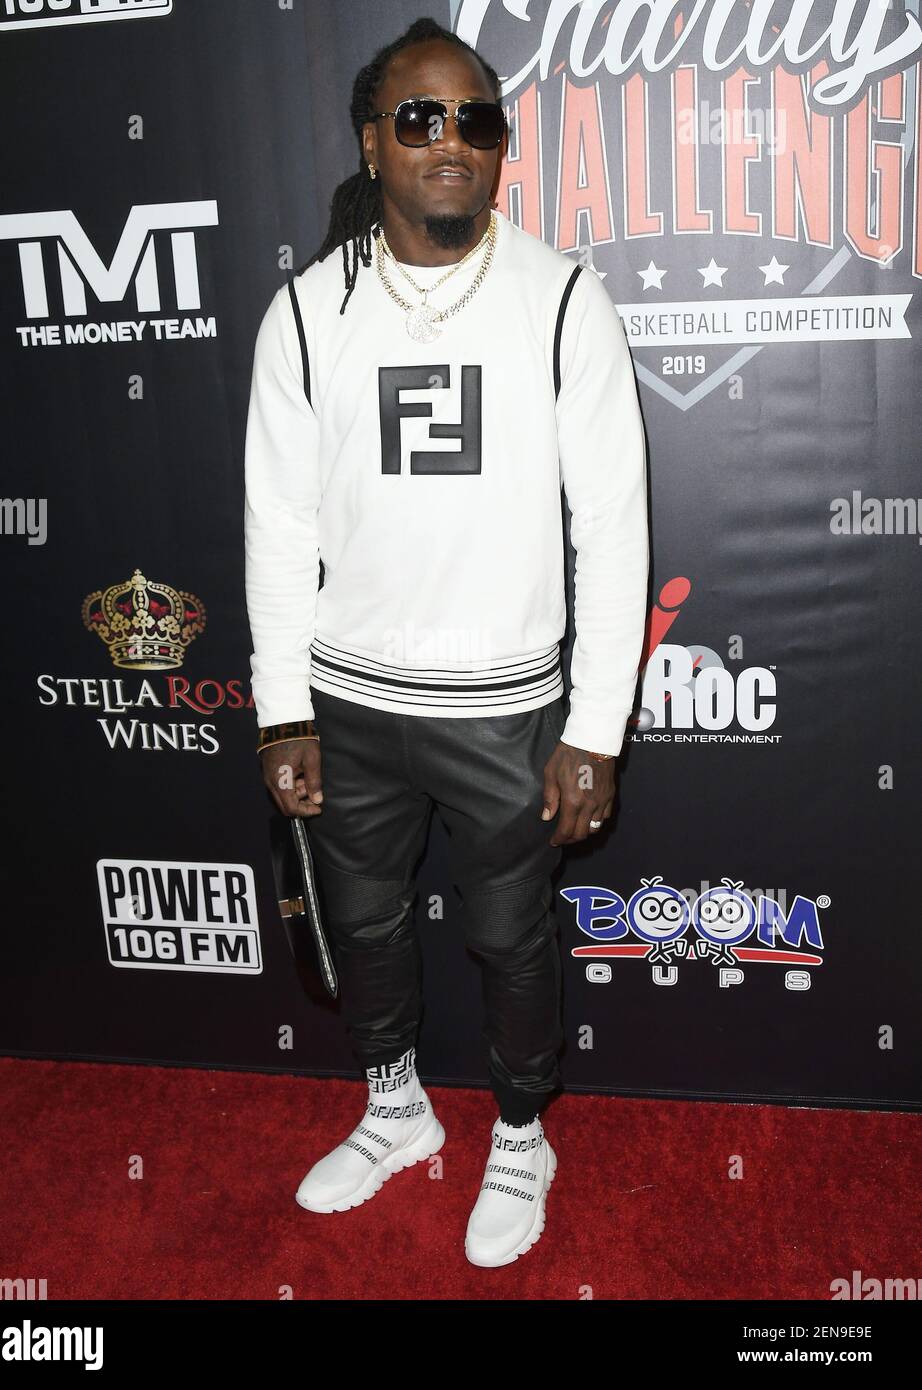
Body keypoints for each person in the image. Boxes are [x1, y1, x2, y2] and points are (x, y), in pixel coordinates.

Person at [243, 15, 649, 1268]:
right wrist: (279, 708)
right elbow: (278, 521)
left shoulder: (562, 295)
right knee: (362, 929)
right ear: (372, 141)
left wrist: (592, 729)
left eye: (477, 120)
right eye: (420, 118)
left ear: (499, 148)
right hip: (347, 700)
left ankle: (522, 1133)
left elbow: (615, 526)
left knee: (507, 937)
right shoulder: (308, 311)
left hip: (505, 705)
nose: (451, 142)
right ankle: (397, 1110)